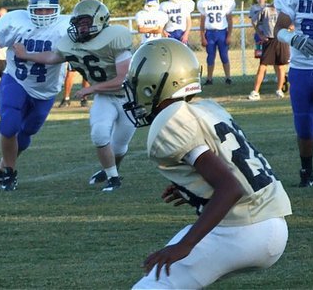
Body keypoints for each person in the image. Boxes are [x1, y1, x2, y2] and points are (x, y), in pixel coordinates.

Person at [122, 38, 292, 289]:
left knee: (153, 285)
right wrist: (198, 189)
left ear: (154, 85)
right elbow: (228, 170)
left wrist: (186, 246)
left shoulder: (172, 120)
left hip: (244, 229)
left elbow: (230, 187)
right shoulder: (206, 108)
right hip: (273, 223)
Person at [13, 0, 136, 192]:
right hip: (104, 97)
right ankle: (113, 177)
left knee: (119, 147)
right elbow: (53, 57)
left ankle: (111, 168)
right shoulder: (70, 43)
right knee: (99, 133)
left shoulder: (115, 37)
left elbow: (122, 79)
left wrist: (91, 89)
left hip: (128, 97)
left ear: (100, 20)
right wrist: (27, 55)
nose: (81, 27)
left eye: (86, 22)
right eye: (79, 23)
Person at [0, 0, 67, 191]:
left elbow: (60, 57)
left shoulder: (65, 27)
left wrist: (27, 54)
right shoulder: (16, 21)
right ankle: (10, 172)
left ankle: (3, 166)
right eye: (39, 10)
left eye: (48, 10)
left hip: (46, 90)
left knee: (26, 136)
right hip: (16, 80)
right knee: (9, 125)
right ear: (30, 9)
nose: (44, 14)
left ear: (57, 9)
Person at [272, 0, 313, 187]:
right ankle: (307, 171)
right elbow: (278, 30)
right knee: (304, 126)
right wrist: (294, 39)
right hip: (300, 70)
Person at [248, 0, 290, 100]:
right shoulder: (266, 10)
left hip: (281, 40)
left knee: (281, 66)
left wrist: (288, 30)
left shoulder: (284, 11)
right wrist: (260, 34)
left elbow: (291, 25)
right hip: (269, 40)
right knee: (262, 66)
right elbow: (254, 21)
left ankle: (279, 90)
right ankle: (256, 91)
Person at [58, 0, 93, 108]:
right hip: (77, 46)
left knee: (87, 73)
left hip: (89, 46)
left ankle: (84, 98)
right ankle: (66, 98)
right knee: (71, 72)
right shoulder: (76, 13)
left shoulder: (95, 13)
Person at [197, 0, 236, 85]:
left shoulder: (226, 3)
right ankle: (209, 79)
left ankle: (228, 77)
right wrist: (202, 37)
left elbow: (230, 20)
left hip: (222, 32)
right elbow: (202, 22)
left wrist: (229, 35)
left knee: (224, 55)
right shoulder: (204, 3)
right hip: (210, 33)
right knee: (210, 56)